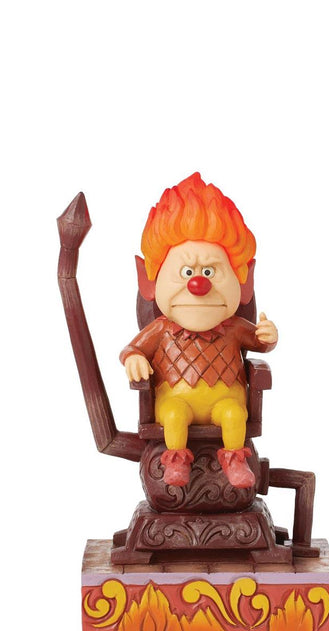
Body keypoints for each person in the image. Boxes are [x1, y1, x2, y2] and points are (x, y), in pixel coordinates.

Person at [120, 173, 278, 488]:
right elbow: (132, 349)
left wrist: (267, 335)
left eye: (209, 271)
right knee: (174, 416)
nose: (198, 284)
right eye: (187, 272)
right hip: (175, 397)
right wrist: (133, 358)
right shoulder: (162, 329)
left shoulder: (233, 328)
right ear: (150, 283)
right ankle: (176, 462)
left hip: (225, 397)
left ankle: (235, 461)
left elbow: (259, 343)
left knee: (234, 414)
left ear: (242, 283)